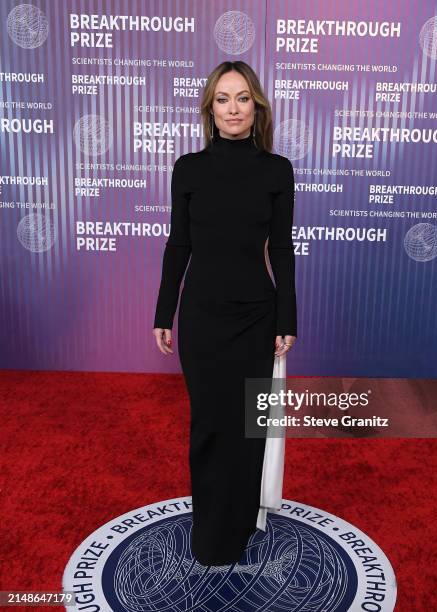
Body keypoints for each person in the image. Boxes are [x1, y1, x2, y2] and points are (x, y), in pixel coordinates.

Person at [152, 60, 297, 566]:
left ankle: (238, 526)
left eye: (241, 98)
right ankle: (211, 533)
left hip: (258, 316)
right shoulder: (188, 169)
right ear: (209, 109)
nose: (232, 108)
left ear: (255, 107)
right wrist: (163, 311)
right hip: (204, 317)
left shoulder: (277, 171)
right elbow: (179, 245)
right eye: (222, 99)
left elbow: (282, 249)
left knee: (248, 427)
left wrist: (287, 319)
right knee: (211, 424)